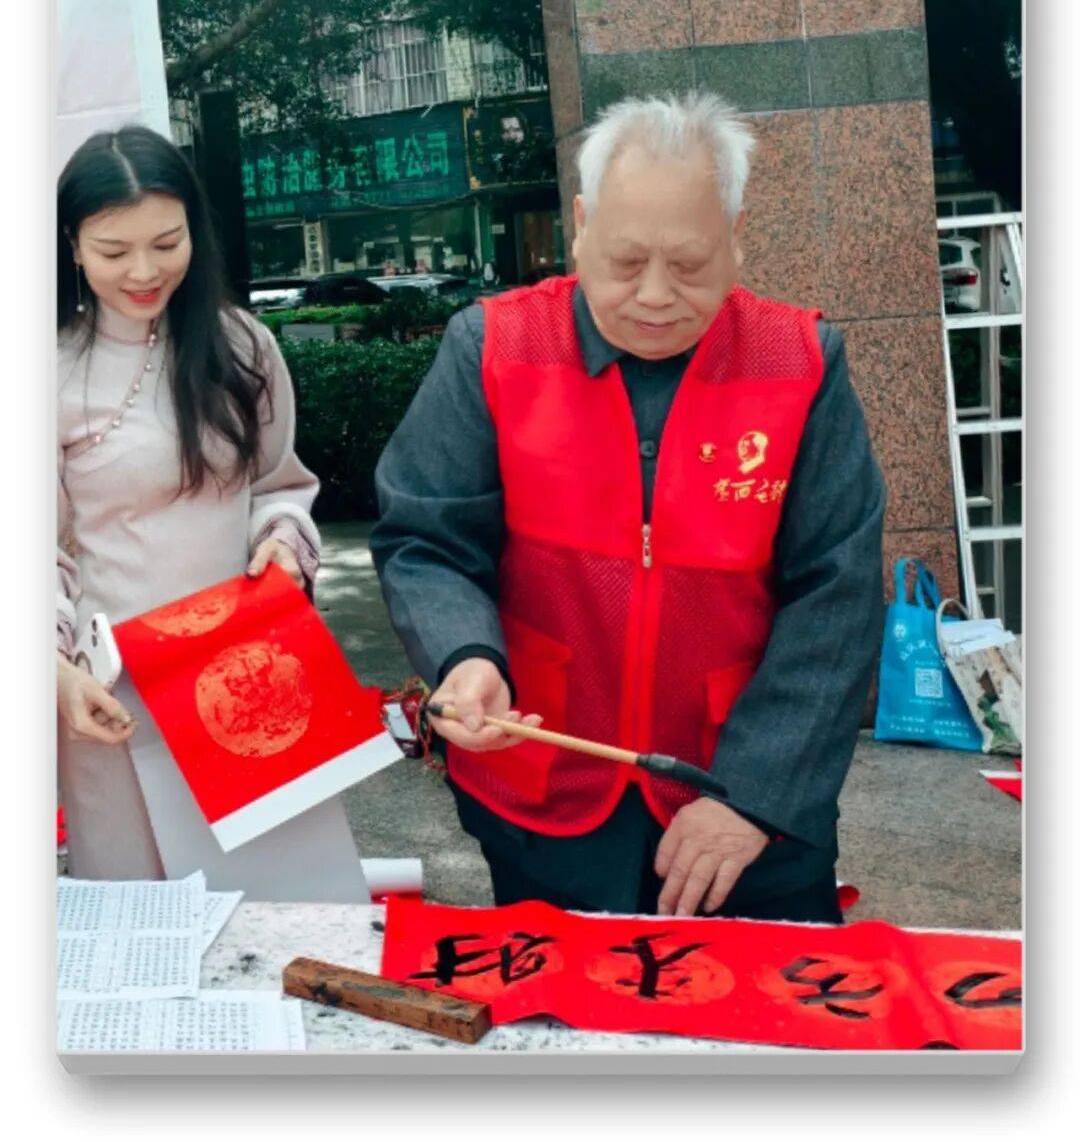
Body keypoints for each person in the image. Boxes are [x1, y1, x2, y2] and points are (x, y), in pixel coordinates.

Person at [373, 92, 886, 923]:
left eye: (688, 264)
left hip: (738, 796)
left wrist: (755, 795)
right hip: (546, 787)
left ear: (736, 236)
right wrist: (464, 654)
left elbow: (838, 593)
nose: (653, 295)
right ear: (580, 226)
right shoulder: (494, 346)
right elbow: (426, 539)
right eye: (624, 260)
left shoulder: (799, 362)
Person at [57, 127, 363, 896]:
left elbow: (278, 485)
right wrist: (51, 671)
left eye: (167, 243)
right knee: (142, 913)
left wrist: (283, 544)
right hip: (117, 693)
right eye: (114, 250)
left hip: (245, 673)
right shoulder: (47, 370)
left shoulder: (242, 346)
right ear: (73, 247)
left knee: (285, 904)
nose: (143, 271)